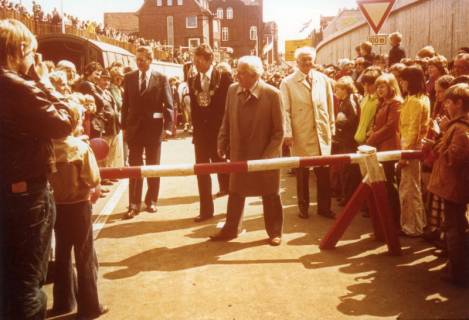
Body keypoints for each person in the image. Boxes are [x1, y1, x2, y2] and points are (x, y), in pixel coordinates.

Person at [0, 19, 72, 320]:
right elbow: (64, 122)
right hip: (26, 195)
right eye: (31, 51)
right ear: (20, 50)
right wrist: (40, 79)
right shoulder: (18, 86)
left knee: (7, 283)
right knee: (29, 285)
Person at [211, 56, 284, 246]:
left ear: (254, 75)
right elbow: (226, 119)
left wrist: (267, 157)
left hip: (265, 155)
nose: (237, 75)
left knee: (270, 194)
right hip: (239, 151)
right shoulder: (232, 90)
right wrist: (221, 141)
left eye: (241, 72)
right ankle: (231, 229)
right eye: (237, 71)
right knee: (235, 192)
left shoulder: (272, 94)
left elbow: (279, 132)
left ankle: (274, 232)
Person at [48, 104, 108, 319]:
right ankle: (90, 306)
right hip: (79, 206)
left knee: (62, 254)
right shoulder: (80, 148)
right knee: (84, 255)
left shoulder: (46, 147)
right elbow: (92, 179)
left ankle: (63, 302)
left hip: (56, 207)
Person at [280, 46, 335, 219]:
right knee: (302, 172)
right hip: (301, 131)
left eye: (309, 59)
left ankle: (324, 208)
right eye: (303, 60)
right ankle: (303, 207)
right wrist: (287, 132)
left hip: (321, 131)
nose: (307, 63)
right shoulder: (287, 82)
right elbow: (285, 110)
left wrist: (331, 126)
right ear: (296, 62)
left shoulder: (323, 79)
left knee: (323, 172)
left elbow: (329, 104)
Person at [121, 46, 173, 219]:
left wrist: (168, 127)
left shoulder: (161, 78)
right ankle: (133, 204)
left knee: (152, 166)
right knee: (134, 167)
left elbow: (169, 105)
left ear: (150, 60)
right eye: (137, 59)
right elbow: (125, 105)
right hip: (134, 130)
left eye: (142, 59)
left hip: (154, 129)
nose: (139, 62)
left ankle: (151, 201)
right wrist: (123, 127)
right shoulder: (129, 78)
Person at [427, 83, 469, 287]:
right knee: (457, 226)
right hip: (457, 185)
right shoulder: (459, 125)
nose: (445, 107)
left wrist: (437, 141)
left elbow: (455, 158)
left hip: (454, 186)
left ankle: (458, 272)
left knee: (454, 229)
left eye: (449, 102)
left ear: (459, 103)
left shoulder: (459, 128)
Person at [188, 44, 232, 222]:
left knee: (226, 171)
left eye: (199, 60)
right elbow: (194, 109)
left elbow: (229, 107)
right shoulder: (192, 80)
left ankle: (232, 209)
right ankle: (206, 210)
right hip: (201, 136)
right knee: (202, 173)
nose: (195, 63)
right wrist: (195, 133)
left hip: (220, 133)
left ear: (209, 60)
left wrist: (227, 133)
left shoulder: (224, 77)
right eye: (194, 60)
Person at [398, 65, 431, 237]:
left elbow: (411, 130)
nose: (401, 83)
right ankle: (418, 223)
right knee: (414, 187)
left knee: (408, 189)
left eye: (403, 79)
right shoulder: (423, 98)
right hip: (417, 148)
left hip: (410, 149)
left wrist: (404, 154)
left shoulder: (414, 101)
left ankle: (411, 227)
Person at [366, 73, 403, 224]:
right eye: (378, 87)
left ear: (391, 86)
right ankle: (386, 217)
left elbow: (390, 127)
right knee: (384, 182)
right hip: (381, 145)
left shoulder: (395, 103)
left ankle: (393, 219)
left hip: (389, 146)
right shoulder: (383, 102)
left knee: (389, 183)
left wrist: (372, 138)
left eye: (382, 86)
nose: (379, 90)